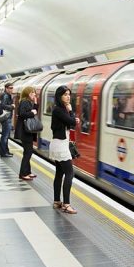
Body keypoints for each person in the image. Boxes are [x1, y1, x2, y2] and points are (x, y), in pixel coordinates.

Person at [50, 85, 80, 214]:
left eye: (69, 94)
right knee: (69, 173)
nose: (68, 96)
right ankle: (67, 204)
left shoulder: (60, 110)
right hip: (61, 145)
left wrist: (71, 117)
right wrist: (71, 112)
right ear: (59, 96)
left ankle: (57, 201)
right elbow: (72, 122)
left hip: (58, 144)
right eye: (65, 94)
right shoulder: (59, 110)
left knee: (59, 173)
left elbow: (69, 123)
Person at [14, 86, 39, 180]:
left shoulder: (28, 102)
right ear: (28, 94)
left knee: (28, 151)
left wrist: (35, 104)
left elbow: (34, 111)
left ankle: (27, 171)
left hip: (27, 131)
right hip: (24, 131)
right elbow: (22, 114)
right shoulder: (24, 102)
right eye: (32, 93)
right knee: (28, 152)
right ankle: (23, 174)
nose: (34, 94)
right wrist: (32, 113)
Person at [0, 83, 15, 157]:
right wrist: (11, 106)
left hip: (6, 117)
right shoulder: (5, 95)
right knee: (5, 136)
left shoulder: (6, 95)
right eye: (10, 88)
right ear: (6, 88)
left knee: (6, 135)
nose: (12, 89)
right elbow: (2, 106)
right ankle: (3, 152)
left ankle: (6, 151)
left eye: (12, 88)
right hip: (6, 118)